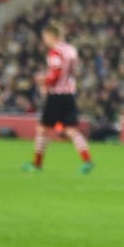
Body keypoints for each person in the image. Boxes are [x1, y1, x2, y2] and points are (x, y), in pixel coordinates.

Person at [23, 22, 94, 174]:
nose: (44, 41)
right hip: (69, 93)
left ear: (50, 36)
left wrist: (44, 81)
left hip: (56, 94)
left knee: (42, 129)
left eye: (45, 37)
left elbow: (55, 73)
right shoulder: (71, 50)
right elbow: (75, 71)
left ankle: (37, 164)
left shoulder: (55, 52)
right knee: (71, 130)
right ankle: (87, 160)